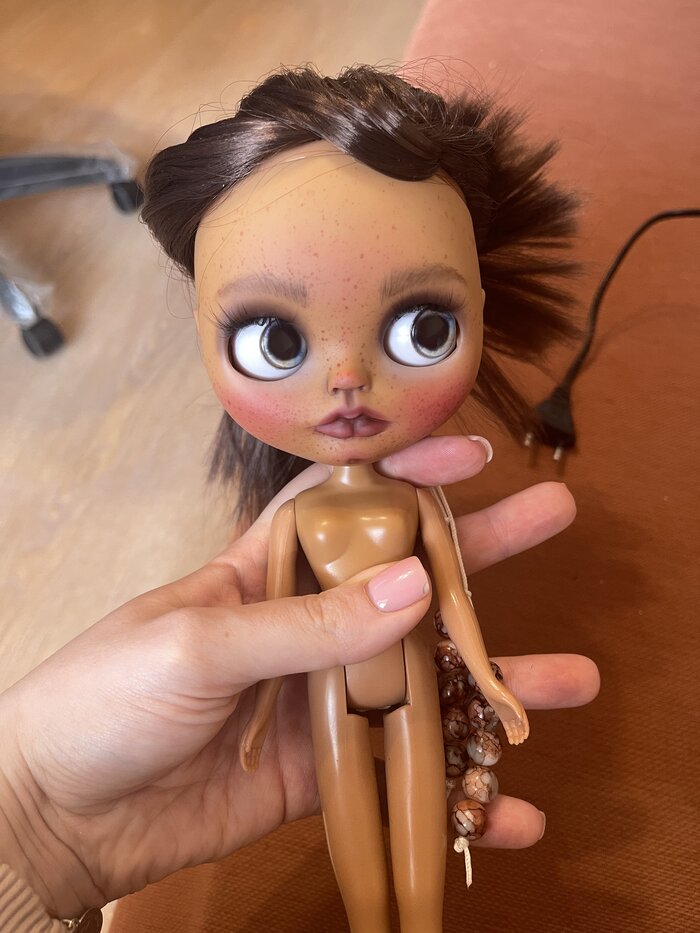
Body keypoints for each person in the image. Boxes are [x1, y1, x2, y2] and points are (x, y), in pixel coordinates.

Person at [0, 443, 599, 930]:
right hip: (329, 688)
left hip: (411, 676)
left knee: (422, 878)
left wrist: (489, 685)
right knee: (362, 886)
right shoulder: (295, 514)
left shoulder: (415, 499)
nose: (347, 380)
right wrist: (261, 713)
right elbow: (277, 616)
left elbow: (453, 597)